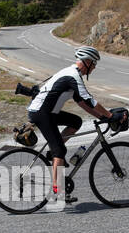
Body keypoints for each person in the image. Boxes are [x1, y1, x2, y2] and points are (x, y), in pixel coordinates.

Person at [26, 46, 114, 203]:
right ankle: (56, 191)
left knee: (76, 121)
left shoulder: (74, 75)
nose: (94, 67)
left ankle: (52, 153)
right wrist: (110, 115)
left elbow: (81, 102)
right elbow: (90, 100)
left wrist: (101, 117)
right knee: (59, 150)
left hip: (47, 111)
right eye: (93, 64)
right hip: (42, 113)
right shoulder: (72, 76)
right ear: (86, 62)